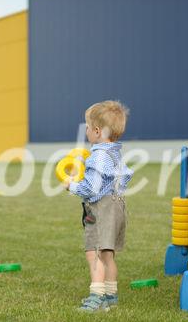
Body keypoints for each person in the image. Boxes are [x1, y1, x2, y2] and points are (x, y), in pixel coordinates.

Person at [64, 100, 133, 312]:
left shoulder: (98, 155)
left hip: (101, 210)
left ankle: (96, 298)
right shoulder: (114, 153)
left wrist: (72, 186)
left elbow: (92, 189)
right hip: (117, 206)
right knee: (107, 254)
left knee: (93, 253)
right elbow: (124, 177)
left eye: (87, 126)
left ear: (96, 131)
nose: (86, 130)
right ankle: (110, 296)